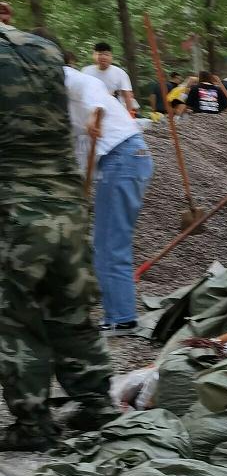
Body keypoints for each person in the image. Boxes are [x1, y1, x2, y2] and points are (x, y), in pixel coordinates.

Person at [0, 24, 115, 449]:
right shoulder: (43, 49)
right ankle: (97, 404)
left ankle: (34, 424)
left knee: (15, 316)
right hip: (66, 204)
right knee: (70, 309)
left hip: (15, 211)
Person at [63, 61, 154, 335]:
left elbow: (92, 87)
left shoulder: (64, 76)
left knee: (111, 244)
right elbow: (80, 147)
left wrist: (95, 112)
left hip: (123, 157)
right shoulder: (50, 98)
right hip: (121, 159)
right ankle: (117, 315)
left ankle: (123, 318)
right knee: (104, 243)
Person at [82, 42, 135, 113]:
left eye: (106, 54)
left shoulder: (120, 73)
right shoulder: (86, 71)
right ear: (94, 56)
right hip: (91, 108)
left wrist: (129, 114)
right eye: (100, 54)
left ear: (111, 57)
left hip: (113, 109)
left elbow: (127, 96)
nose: (103, 57)